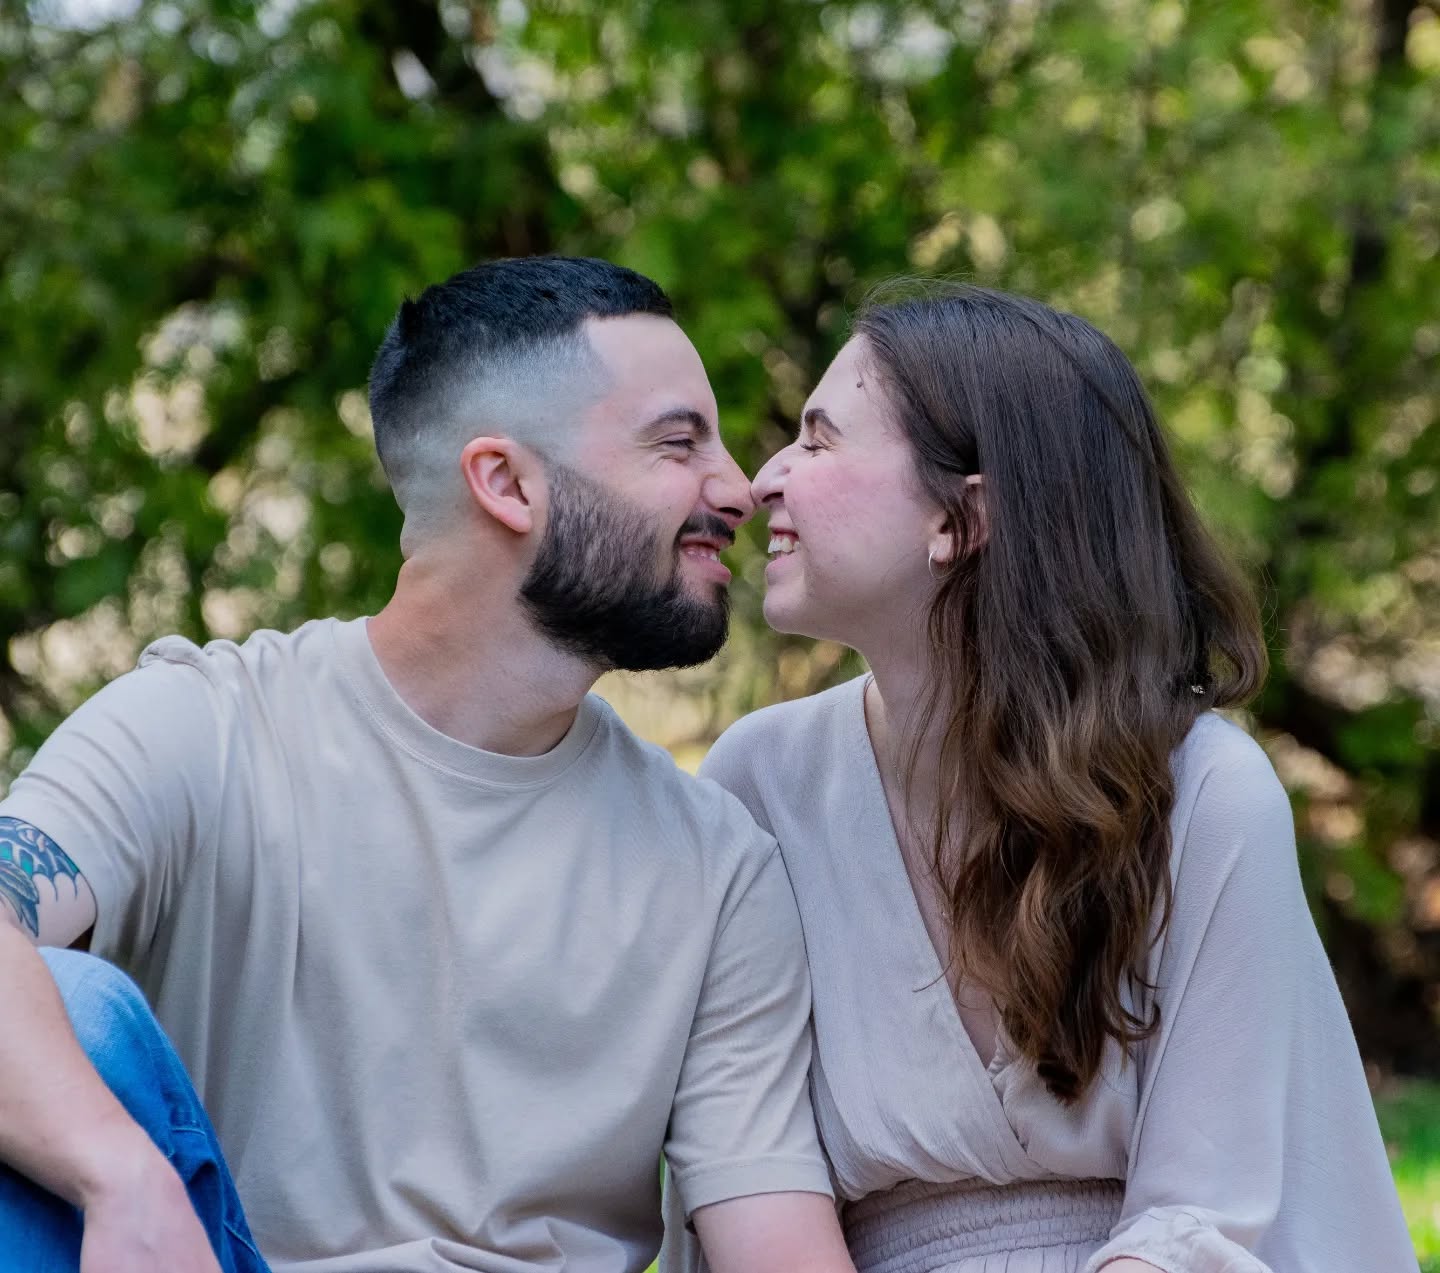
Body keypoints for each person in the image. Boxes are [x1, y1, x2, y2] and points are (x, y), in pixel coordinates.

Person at [0, 257, 857, 1273]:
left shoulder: (717, 866)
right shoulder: (207, 727)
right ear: (505, 482)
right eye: (679, 443)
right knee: (70, 1015)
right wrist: (118, 1173)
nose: (738, 486)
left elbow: (776, 1244)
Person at [673, 286, 1418, 1272]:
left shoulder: (1204, 792)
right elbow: (748, 1172)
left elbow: (1204, 1211)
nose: (764, 480)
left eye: (817, 441)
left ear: (962, 517)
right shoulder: (757, 784)